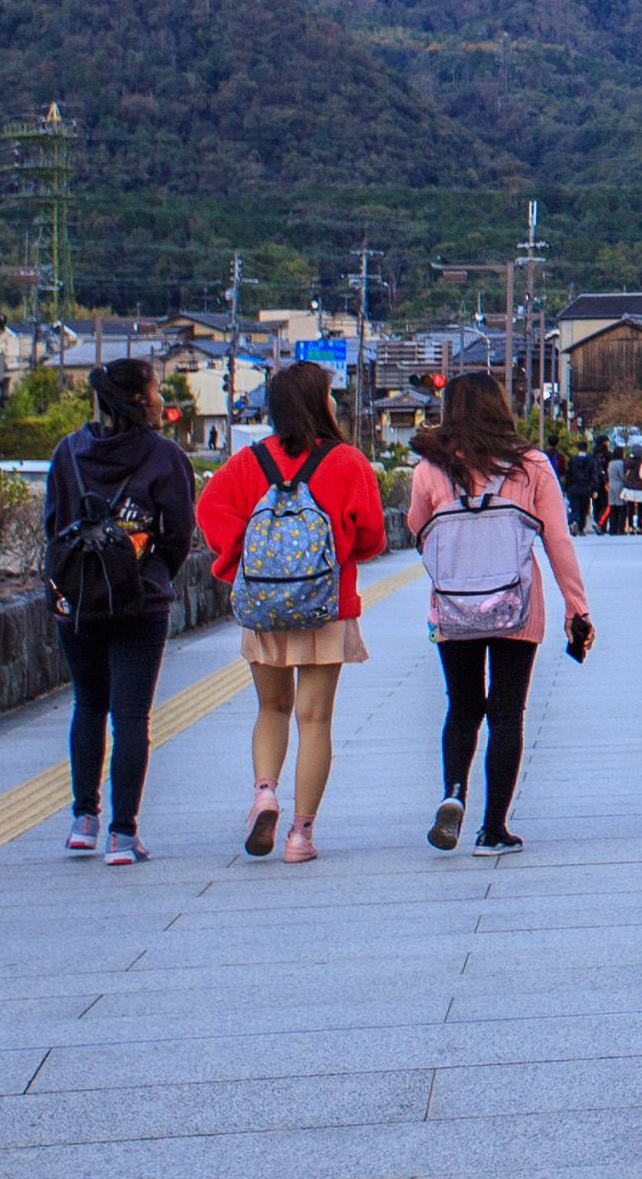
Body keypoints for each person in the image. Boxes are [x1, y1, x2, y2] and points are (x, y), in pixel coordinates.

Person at [196, 363, 388, 862]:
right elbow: (371, 537)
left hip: (264, 609)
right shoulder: (347, 462)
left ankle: (264, 793)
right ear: (319, 402)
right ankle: (300, 837)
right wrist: (334, 553)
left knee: (271, 708)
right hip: (326, 608)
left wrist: (242, 558)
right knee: (315, 718)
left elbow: (209, 509)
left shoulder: (247, 463)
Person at [408, 371, 592, 852]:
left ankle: (453, 794)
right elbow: (558, 541)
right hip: (517, 607)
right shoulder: (530, 465)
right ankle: (494, 828)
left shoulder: (431, 467)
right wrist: (578, 608)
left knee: (462, 708)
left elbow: (416, 528)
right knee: (506, 713)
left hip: (452, 609)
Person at [42, 357, 198, 866]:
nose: (161, 398)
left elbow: (53, 524)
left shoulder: (68, 453)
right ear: (138, 401)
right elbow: (179, 536)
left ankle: (82, 820)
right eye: (156, 390)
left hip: (78, 600)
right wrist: (151, 576)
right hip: (139, 601)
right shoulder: (165, 457)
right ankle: (123, 835)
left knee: (87, 704)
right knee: (131, 715)